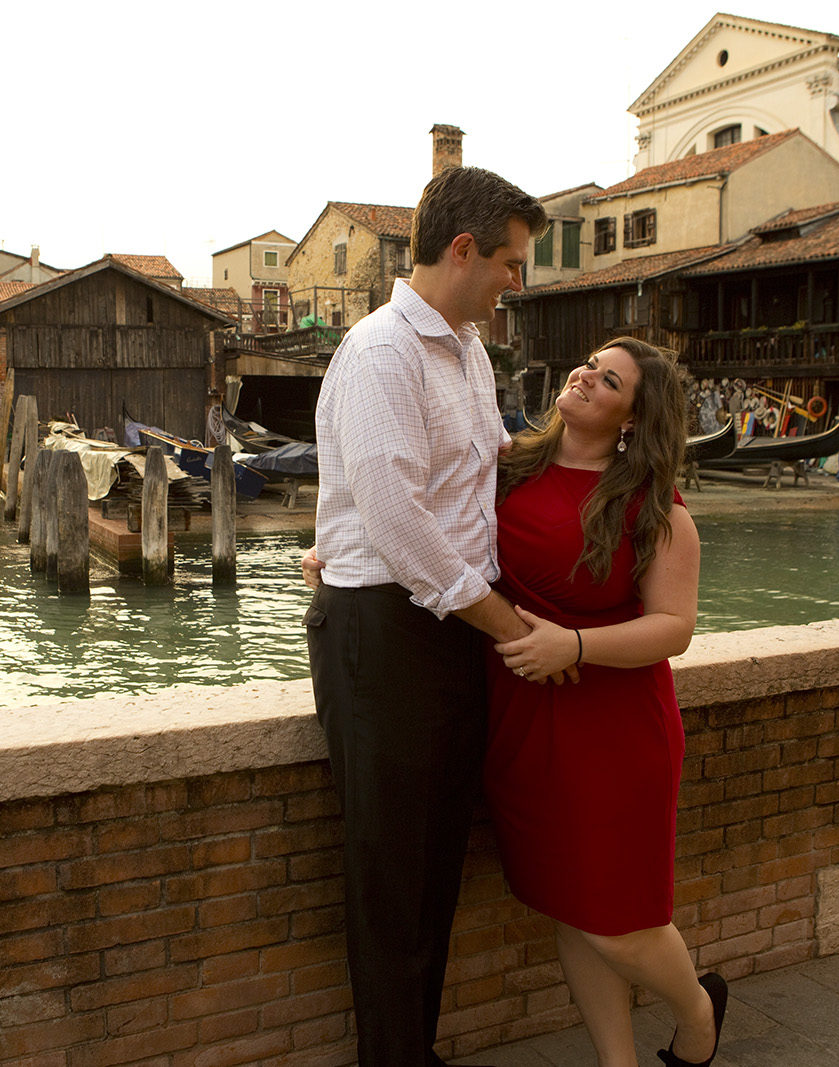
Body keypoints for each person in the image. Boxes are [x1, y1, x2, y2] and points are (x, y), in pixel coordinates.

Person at [304, 164, 548, 1066]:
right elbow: (399, 521)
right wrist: (511, 628)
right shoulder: (381, 353)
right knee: (391, 870)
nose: (516, 282)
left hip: (443, 627)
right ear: (462, 250)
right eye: (511, 263)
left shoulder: (467, 349)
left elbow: (481, 474)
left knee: (438, 856)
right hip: (386, 632)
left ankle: (415, 1051)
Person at [487, 336, 725, 1067]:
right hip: (524, 719)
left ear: (632, 417)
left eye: (609, 378)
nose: (586, 375)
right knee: (571, 905)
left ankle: (698, 1015)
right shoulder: (506, 465)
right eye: (588, 362)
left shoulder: (653, 508)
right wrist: (335, 550)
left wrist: (578, 646)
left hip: (616, 730)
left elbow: (674, 627)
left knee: (617, 921)